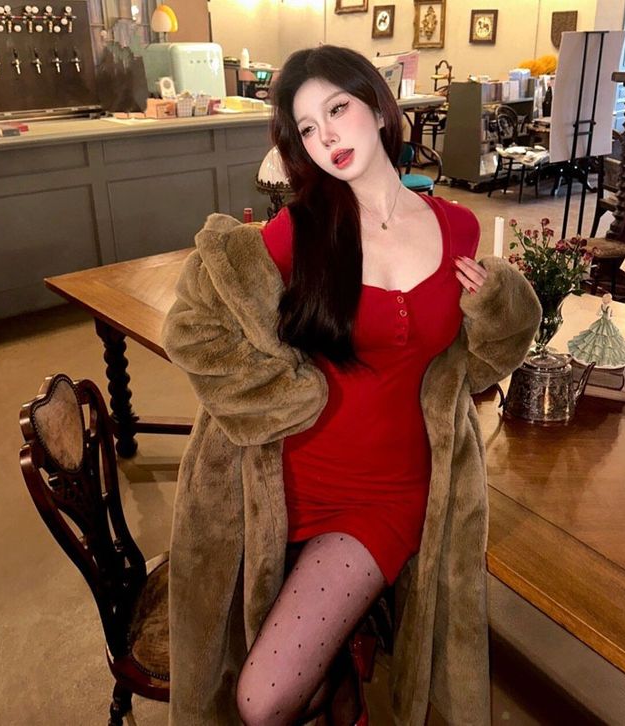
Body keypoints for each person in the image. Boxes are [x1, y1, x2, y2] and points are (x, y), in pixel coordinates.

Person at [162, 45, 541, 726]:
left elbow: (478, 368)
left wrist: (496, 308)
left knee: (261, 698)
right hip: (282, 477)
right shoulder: (298, 232)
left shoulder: (458, 227)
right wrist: (279, 399)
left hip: (384, 491)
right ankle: (341, 678)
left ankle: (340, 673)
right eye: (308, 128)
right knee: (259, 663)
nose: (327, 136)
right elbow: (193, 329)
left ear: (379, 106)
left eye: (337, 109)